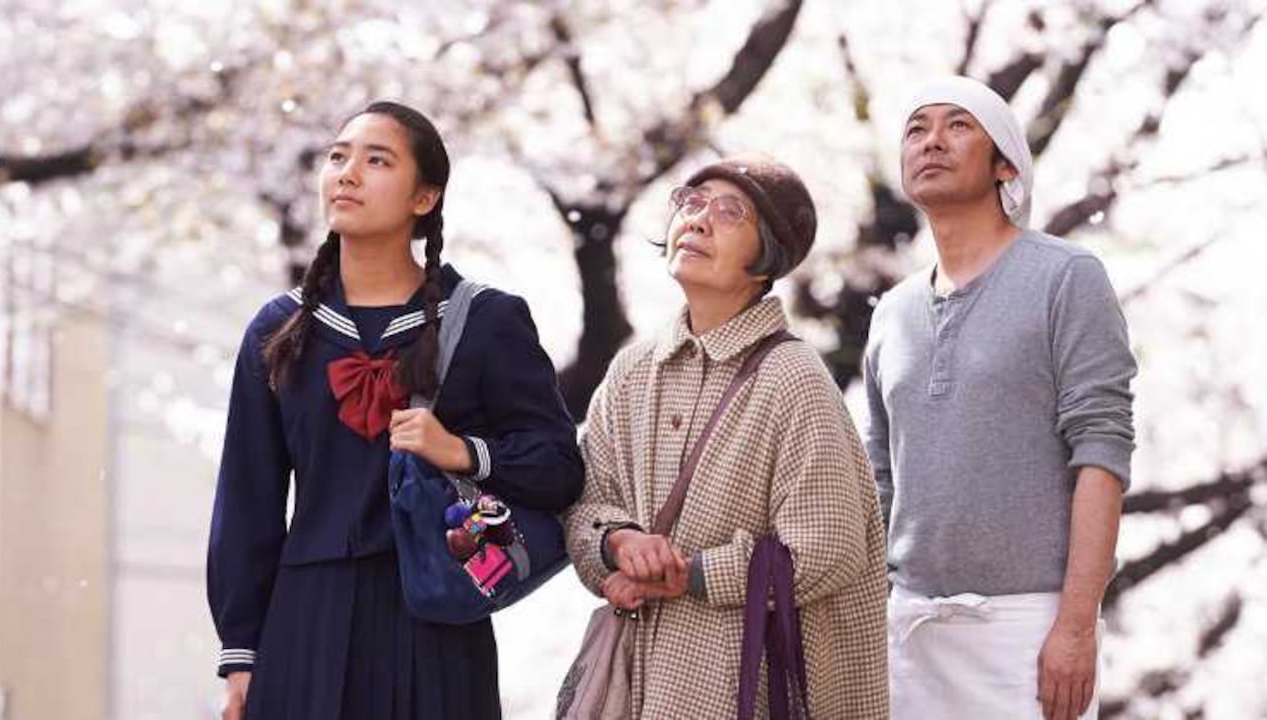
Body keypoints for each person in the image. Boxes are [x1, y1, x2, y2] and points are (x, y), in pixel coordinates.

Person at [206, 101, 582, 720]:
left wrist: (461, 451)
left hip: (435, 617)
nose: (347, 173)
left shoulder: (485, 320)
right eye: (338, 157)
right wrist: (242, 653)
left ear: (424, 198)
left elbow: (559, 467)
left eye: (376, 160)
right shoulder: (279, 329)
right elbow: (247, 500)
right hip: (304, 622)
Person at [563, 155, 888, 719]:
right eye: (690, 202)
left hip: (742, 688)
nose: (698, 220)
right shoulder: (632, 370)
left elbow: (828, 545)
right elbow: (588, 502)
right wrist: (619, 544)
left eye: (729, 211)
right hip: (634, 684)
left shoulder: (792, 376)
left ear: (768, 256)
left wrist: (688, 575)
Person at [863, 75, 1137, 720]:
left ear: (1005, 164)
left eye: (958, 126)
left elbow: (1102, 451)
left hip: (1031, 628)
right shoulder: (893, 312)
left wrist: (1074, 626)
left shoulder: (1066, 277)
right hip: (907, 634)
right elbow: (879, 481)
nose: (931, 141)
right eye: (916, 128)